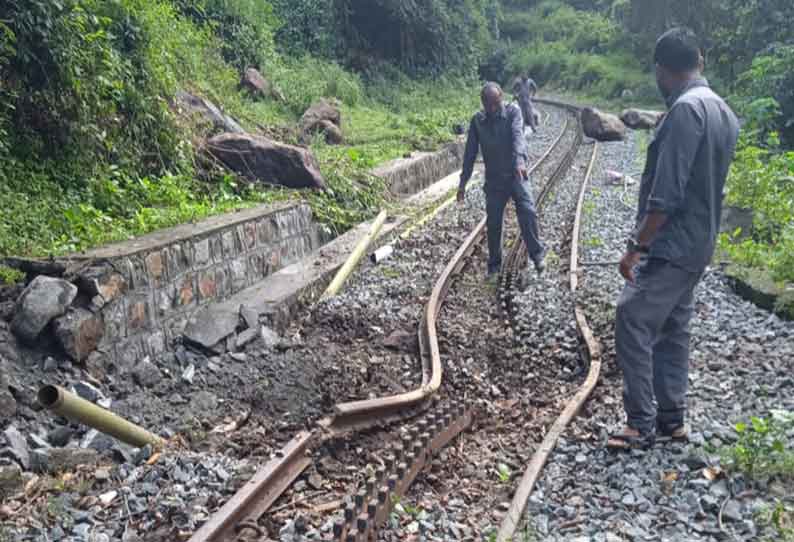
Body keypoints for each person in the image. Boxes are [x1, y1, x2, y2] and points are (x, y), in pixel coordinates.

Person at [608, 28, 740, 450]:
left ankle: (640, 422)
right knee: (675, 325)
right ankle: (672, 419)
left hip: (673, 243)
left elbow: (666, 196)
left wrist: (636, 247)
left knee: (632, 316)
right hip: (700, 241)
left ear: (664, 70)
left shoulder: (686, 111)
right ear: (698, 62)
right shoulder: (722, 110)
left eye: (658, 73)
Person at [458, 83, 546, 283]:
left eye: (495, 104)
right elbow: (470, 154)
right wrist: (463, 183)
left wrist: (520, 161)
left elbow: (518, 137)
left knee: (527, 210)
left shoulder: (514, 112)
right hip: (494, 180)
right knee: (494, 222)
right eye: (488, 105)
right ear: (483, 104)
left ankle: (537, 256)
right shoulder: (478, 122)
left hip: (516, 174)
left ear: (501, 99)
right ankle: (494, 266)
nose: (492, 109)